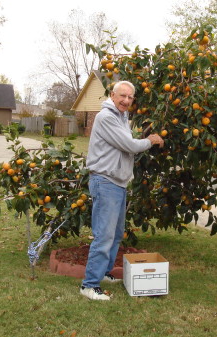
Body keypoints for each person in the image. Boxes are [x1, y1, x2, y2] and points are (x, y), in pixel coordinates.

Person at [80, 80, 164, 300]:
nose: (126, 100)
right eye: (122, 96)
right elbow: (130, 145)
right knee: (104, 235)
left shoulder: (121, 116)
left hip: (117, 182)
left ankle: (104, 273)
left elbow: (126, 142)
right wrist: (151, 140)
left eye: (130, 97)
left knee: (115, 235)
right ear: (112, 95)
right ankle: (89, 285)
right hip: (105, 181)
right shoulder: (106, 117)